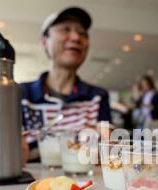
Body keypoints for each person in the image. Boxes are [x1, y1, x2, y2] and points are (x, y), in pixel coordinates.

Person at [20, 7, 111, 161]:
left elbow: (106, 150)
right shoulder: (21, 94)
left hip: (85, 182)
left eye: (82, 33)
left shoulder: (97, 97)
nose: (76, 37)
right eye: (65, 30)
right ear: (44, 40)